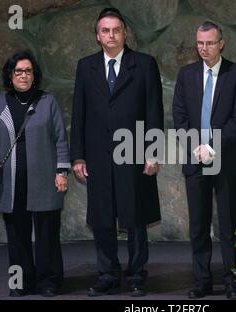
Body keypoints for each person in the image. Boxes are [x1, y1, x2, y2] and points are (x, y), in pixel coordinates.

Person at [70, 8, 164, 297]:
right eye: (105, 31)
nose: (111, 35)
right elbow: (79, 113)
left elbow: (154, 111)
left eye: (116, 30)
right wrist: (78, 156)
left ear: (125, 33)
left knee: (135, 217)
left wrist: (153, 151)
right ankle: (108, 274)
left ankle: (136, 275)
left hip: (134, 152)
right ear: (97, 35)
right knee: (102, 217)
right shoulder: (86, 67)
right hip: (98, 155)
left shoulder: (144, 64)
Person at [0, 50, 70, 297]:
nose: (23, 75)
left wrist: (62, 171)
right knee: (17, 237)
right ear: (10, 75)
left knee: (47, 235)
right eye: (18, 71)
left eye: (28, 71)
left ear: (34, 75)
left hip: (44, 180)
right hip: (12, 182)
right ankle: (20, 282)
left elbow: (61, 139)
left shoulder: (47, 101)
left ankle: (48, 282)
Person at [172, 21, 236, 299]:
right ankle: (202, 282)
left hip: (225, 159)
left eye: (210, 43)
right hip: (195, 160)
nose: (204, 48)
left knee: (229, 226)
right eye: (200, 43)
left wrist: (211, 147)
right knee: (198, 226)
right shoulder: (186, 74)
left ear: (222, 43)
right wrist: (196, 146)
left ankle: (232, 281)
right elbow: (179, 116)